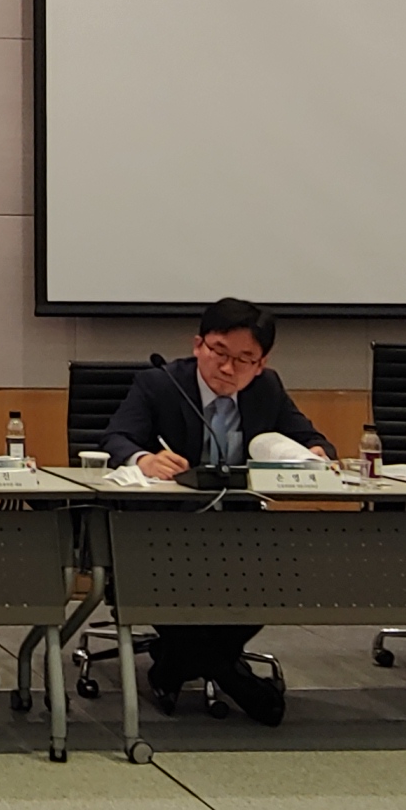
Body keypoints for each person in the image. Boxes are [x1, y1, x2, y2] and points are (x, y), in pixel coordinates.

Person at [99, 296, 331, 727]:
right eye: (219, 352)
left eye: (244, 359)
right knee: (177, 577)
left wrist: (315, 452)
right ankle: (231, 674)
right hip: (164, 530)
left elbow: (309, 438)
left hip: (240, 529)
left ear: (261, 364)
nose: (228, 368)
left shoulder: (267, 388)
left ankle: (173, 664)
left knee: (285, 574)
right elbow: (116, 438)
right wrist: (143, 459)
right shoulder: (160, 383)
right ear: (198, 345)